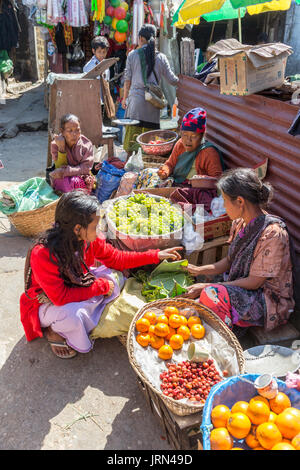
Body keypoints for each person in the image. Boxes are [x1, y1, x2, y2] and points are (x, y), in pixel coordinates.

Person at [20, 190, 183, 359]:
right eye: (95, 225)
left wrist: (155, 255)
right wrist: (100, 287)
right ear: (77, 229)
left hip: (78, 285)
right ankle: (53, 330)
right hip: (49, 303)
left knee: (115, 275)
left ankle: (86, 317)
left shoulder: (86, 239)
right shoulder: (43, 254)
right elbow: (60, 297)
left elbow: (116, 258)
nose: (99, 230)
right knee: (73, 315)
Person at [181, 168, 295, 334]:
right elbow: (229, 261)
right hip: (243, 284)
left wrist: (209, 285)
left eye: (226, 200)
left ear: (240, 202)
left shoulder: (273, 234)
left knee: (211, 292)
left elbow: (255, 282)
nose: (224, 206)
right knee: (201, 281)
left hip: (266, 298)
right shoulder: (240, 223)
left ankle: (223, 337)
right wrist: (198, 269)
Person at [122, 24, 179, 155]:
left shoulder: (132, 55)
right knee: (151, 144)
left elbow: (127, 80)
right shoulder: (161, 57)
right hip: (153, 103)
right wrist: (188, 79)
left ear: (140, 38)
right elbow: (172, 80)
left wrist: (125, 98)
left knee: (131, 144)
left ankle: (129, 167)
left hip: (136, 103)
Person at [158, 107, 223, 185]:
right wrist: (165, 172)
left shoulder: (209, 152)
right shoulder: (180, 144)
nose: (188, 140)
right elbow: (170, 164)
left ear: (202, 136)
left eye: (193, 136)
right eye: (185, 135)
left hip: (196, 189)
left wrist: (202, 179)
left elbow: (217, 180)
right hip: (176, 181)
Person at [49, 113, 96, 194]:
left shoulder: (86, 144)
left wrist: (67, 171)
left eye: (77, 130)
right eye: (70, 131)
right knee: (63, 181)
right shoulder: (55, 144)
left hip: (82, 177)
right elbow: (59, 167)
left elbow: (86, 168)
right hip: (63, 178)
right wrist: (61, 148)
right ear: (62, 131)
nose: (74, 134)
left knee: (75, 181)